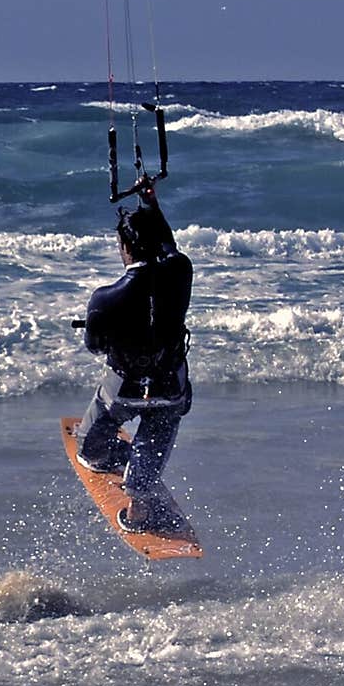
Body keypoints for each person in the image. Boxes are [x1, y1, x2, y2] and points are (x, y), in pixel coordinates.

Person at [76, 183, 192, 530]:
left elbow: (95, 347)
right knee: (160, 424)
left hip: (124, 393)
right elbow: (170, 246)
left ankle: (119, 459)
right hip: (171, 388)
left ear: (125, 247)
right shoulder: (180, 272)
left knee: (90, 453)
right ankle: (140, 502)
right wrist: (151, 202)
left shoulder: (104, 299)